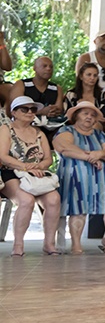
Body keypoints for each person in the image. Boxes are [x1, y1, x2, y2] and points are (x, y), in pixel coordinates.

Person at [52, 101, 105, 254]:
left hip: (101, 177)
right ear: (76, 116)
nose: (89, 117)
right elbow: (64, 148)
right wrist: (91, 157)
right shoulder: (67, 130)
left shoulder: (99, 134)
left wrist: (100, 154)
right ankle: (76, 245)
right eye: (85, 114)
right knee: (78, 205)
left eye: (92, 115)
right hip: (74, 175)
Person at [0, 95, 61, 256]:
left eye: (33, 109)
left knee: (54, 199)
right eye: (24, 109)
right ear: (14, 112)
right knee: (26, 201)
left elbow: (48, 158)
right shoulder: (6, 129)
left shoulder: (39, 132)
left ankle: (49, 243)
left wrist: (39, 166)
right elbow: (3, 156)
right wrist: (26, 167)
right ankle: (18, 245)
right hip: (11, 172)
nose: (29, 112)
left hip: (36, 173)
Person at [10, 56, 65, 121]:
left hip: (51, 126)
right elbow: (16, 109)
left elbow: (58, 110)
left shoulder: (57, 88)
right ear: (34, 68)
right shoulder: (21, 84)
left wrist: (52, 111)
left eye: (51, 67)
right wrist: (41, 112)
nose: (48, 69)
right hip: (25, 124)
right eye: (44, 66)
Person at [76, 30, 105, 99]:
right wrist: (102, 91)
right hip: (89, 95)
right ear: (95, 41)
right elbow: (80, 81)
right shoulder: (85, 58)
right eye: (103, 38)